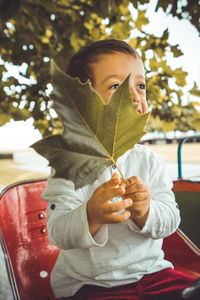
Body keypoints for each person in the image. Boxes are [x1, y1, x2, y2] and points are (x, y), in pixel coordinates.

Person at [42, 39, 196, 299]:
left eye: (140, 85)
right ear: (82, 107)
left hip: (154, 274)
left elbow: (171, 220)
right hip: (90, 285)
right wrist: (90, 215)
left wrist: (146, 211)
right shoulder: (68, 166)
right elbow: (58, 232)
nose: (133, 96)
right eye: (116, 86)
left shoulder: (149, 161)